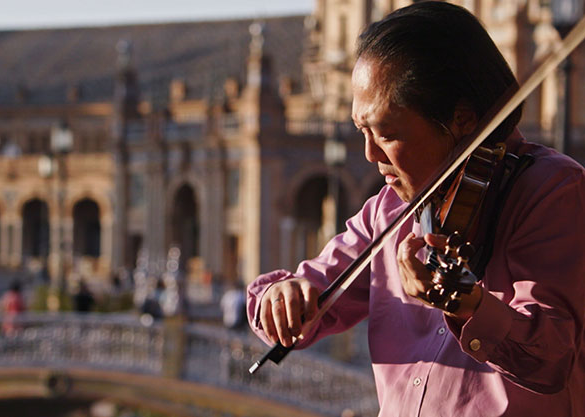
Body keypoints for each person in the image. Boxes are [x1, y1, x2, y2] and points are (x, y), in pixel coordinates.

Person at [247, 2, 585, 416]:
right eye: (362, 131)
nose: (371, 153)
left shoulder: (551, 191)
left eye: (387, 133)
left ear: (461, 118)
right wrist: (278, 299)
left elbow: (551, 358)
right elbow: (303, 294)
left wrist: (468, 305)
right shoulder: (389, 211)